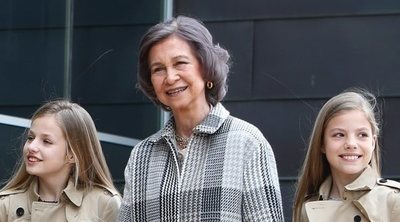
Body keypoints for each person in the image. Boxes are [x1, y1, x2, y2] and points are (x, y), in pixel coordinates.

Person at [118, 15, 284, 221]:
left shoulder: (247, 142)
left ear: (206, 68)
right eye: (158, 69)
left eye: (180, 63)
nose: (170, 77)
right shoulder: (141, 156)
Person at [0, 100, 121, 221]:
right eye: (30, 138)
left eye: (46, 141)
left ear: (73, 154)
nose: (31, 147)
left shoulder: (104, 204)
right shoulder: (6, 205)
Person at [292, 89, 400, 222]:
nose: (351, 144)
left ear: (373, 143)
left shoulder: (393, 201)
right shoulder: (306, 207)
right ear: (322, 144)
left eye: (362, 135)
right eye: (339, 135)